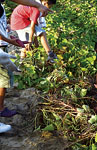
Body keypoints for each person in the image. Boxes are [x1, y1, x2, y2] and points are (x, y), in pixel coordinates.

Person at [0, 0, 52, 133]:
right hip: (6, 39)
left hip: (4, 42)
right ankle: (0, 110)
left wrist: (9, 39)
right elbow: (32, 27)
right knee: (4, 79)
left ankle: (1, 109)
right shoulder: (35, 10)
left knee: (4, 78)